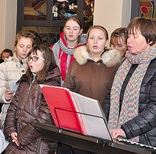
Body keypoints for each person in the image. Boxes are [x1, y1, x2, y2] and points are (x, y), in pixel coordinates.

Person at [103, 17, 156, 146]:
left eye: (135, 36)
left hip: (145, 141)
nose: (129, 40)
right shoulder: (126, 63)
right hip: (118, 137)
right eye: (129, 35)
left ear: (150, 40)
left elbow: (154, 108)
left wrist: (125, 130)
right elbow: (110, 98)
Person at [4, 45, 61, 154]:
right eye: (30, 58)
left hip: (37, 144)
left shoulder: (52, 85)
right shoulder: (25, 81)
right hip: (17, 140)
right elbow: (13, 107)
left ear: (46, 62)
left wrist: (22, 137)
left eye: (35, 58)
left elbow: (44, 118)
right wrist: (11, 129)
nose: (30, 61)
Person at [63, 25, 121, 105]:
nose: (95, 41)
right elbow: (67, 90)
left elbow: (118, 95)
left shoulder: (114, 65)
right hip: (80, 113)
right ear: (87, 41)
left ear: (106, 43)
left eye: (100, 38)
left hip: (105, 115)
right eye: (92, 38)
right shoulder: (77, 63)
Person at [0, 31, 35, 131]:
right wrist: (4, 96)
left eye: (28, 47)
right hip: (9, 115)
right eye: (21, 46)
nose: (25, 50)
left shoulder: (36, 66)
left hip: (29, 117)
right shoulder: (5, 66)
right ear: (15, 46)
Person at [50, 15, 86, 84]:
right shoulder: (55, 48)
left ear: (80, 31)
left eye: (75, 29)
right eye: (68, 28)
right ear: (64, 30)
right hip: (57, 87)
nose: (71, 32)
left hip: (77, 89)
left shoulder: (86, 50)